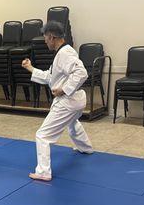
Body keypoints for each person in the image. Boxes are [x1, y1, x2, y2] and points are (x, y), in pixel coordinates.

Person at [22, 21, 93, 181]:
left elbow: (82, 73)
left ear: (52, 37)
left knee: (42, 135)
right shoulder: (62, 53)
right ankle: (86, 148)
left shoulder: (64, 54)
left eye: (46, 38)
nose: (45, 41)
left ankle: (43, 172)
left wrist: (64, 89)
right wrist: (31, 68)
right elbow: (51, 77)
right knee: (73, 123)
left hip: (68, 101)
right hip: (76, 101)